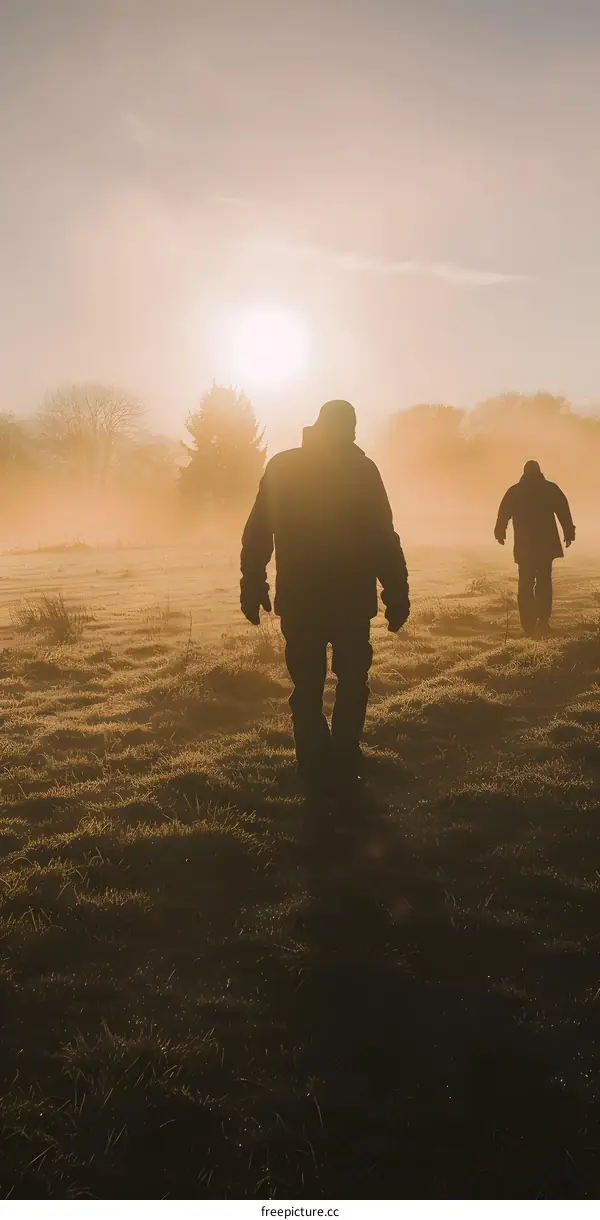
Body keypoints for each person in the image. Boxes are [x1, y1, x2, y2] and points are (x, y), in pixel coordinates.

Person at [240, 400, 410, 791]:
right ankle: (341, 756)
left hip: (303, 599)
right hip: (349, 600)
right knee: (348, 680)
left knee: (312, 684)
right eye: (349, 424)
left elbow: (257, 532)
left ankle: (316, 761)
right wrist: (396, 592)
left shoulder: (285, 466)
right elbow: (384, 538)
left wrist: (253, 583)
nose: (352, 432)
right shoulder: (361, 470)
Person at [494, 460, 575, 637]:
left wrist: (500, 531)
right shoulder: (550, 488)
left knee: (525, 583)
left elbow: (503, 514)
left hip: (525, 546)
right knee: (544, 582)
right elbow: (564, 511)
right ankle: (543, 621)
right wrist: (569, 532)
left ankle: (528, 624)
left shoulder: (515, 491)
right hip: (545, 546)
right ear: (539, 472)